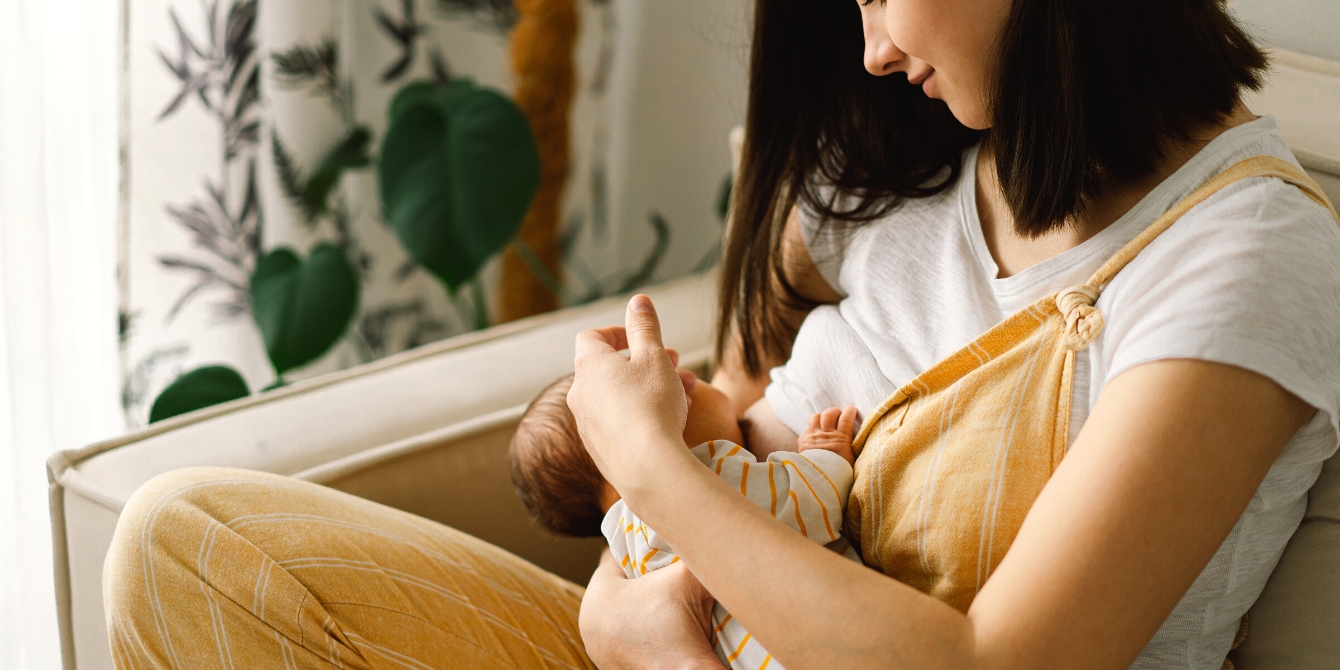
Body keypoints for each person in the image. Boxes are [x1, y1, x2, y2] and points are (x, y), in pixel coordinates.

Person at [102, 1, 1340, 668]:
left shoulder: (1240, 258)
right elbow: (718, 434)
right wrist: (616, 600)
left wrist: (636, 469)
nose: (869, 46)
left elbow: (990, 666)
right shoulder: (901, 158)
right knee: (186, 540)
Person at [508, 372, 859, 669]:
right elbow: (810, 503)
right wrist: (822, 455)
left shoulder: (630, 551)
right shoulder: (705, 475)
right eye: (673, 385)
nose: (688, 377)